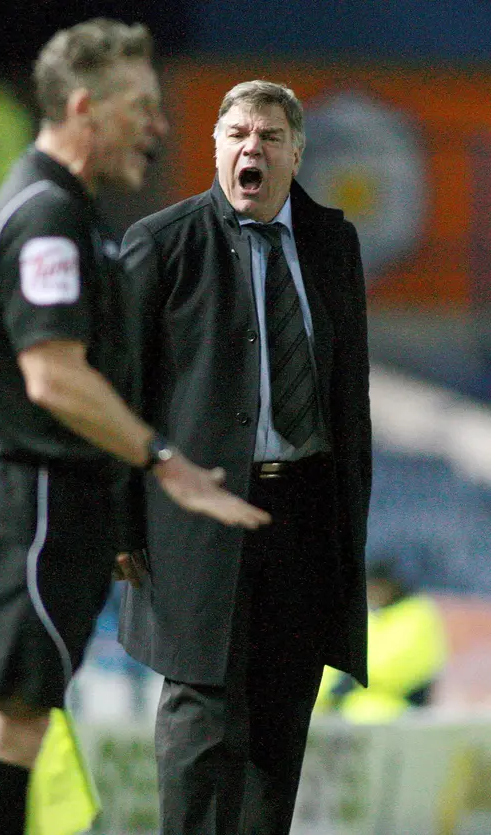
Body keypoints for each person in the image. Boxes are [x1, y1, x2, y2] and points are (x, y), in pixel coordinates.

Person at [0, 21, 270, 835]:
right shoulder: (48, 212)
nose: (160, 126)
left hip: (50, 503)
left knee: (17, 717)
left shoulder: (72, 210)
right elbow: (52, 374)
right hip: (26, 501)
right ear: (85, 107)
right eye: (143, 107)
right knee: (10, 720)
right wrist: (164, 461)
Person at [116, 79, 372, 834]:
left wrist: (345, 526)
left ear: (297, 151)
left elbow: (347, 397)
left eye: (267, 136)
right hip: (194, 513)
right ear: (217, 147)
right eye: (236, 135)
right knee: (200, 716)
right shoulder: (161, 243)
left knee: (280, 720)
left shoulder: (334, 242)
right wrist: (124, 525)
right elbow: (121, 396)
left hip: (301, 514)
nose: (250, 148)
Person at [315, 559, 447, 722]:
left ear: (393, 585)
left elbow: (398, 666)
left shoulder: (416, 614)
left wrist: (351, 678)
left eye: (377, 586)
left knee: (366, 713)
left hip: (398, 706)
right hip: (353, 703)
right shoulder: (369, 615)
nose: (372, 592)